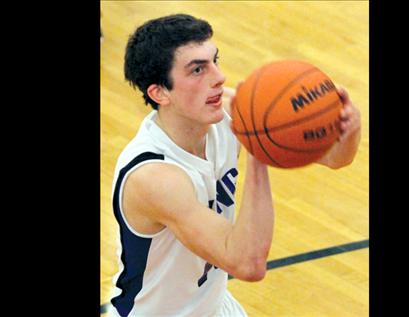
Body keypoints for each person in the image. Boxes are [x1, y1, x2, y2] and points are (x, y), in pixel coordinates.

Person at [108, 13, 361, 317]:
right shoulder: (155, 177)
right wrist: (257, 149)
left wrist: (348, 129)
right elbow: (247, 263)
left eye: (215, 60)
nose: (218, 77)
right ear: (159, 93)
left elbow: (335, 159)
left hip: (215, 307)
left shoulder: (230, 110)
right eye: (198, 69)